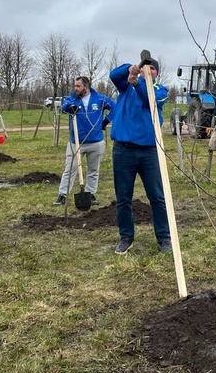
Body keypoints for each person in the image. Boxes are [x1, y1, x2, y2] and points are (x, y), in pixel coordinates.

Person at [108, 57, 171, 255]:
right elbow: (113, 75)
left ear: (156, 73)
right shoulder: (125, 86)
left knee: (158, 197)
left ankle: (164, 238)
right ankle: (126, 237)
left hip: (149, 151)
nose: (148, 71)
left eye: (152, 69)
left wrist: (138, 82)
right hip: (123, 150)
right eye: (146, 68)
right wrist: (131, 69)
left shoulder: (161, 91)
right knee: (123, 198)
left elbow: (149, 98)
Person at [53, 76, 114, 208]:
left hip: (96, 142)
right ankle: (62, 195)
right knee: (70, 169)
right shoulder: (72, 99)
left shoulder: (100, 99)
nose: (76, 88)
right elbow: (64, 107)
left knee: (93, 170)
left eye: (78, 86)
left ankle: (90, 193)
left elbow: (115, 108)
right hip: (76, 142)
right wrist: (70, 107)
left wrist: (106, 121)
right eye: (75, 86)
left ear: (86, 86)